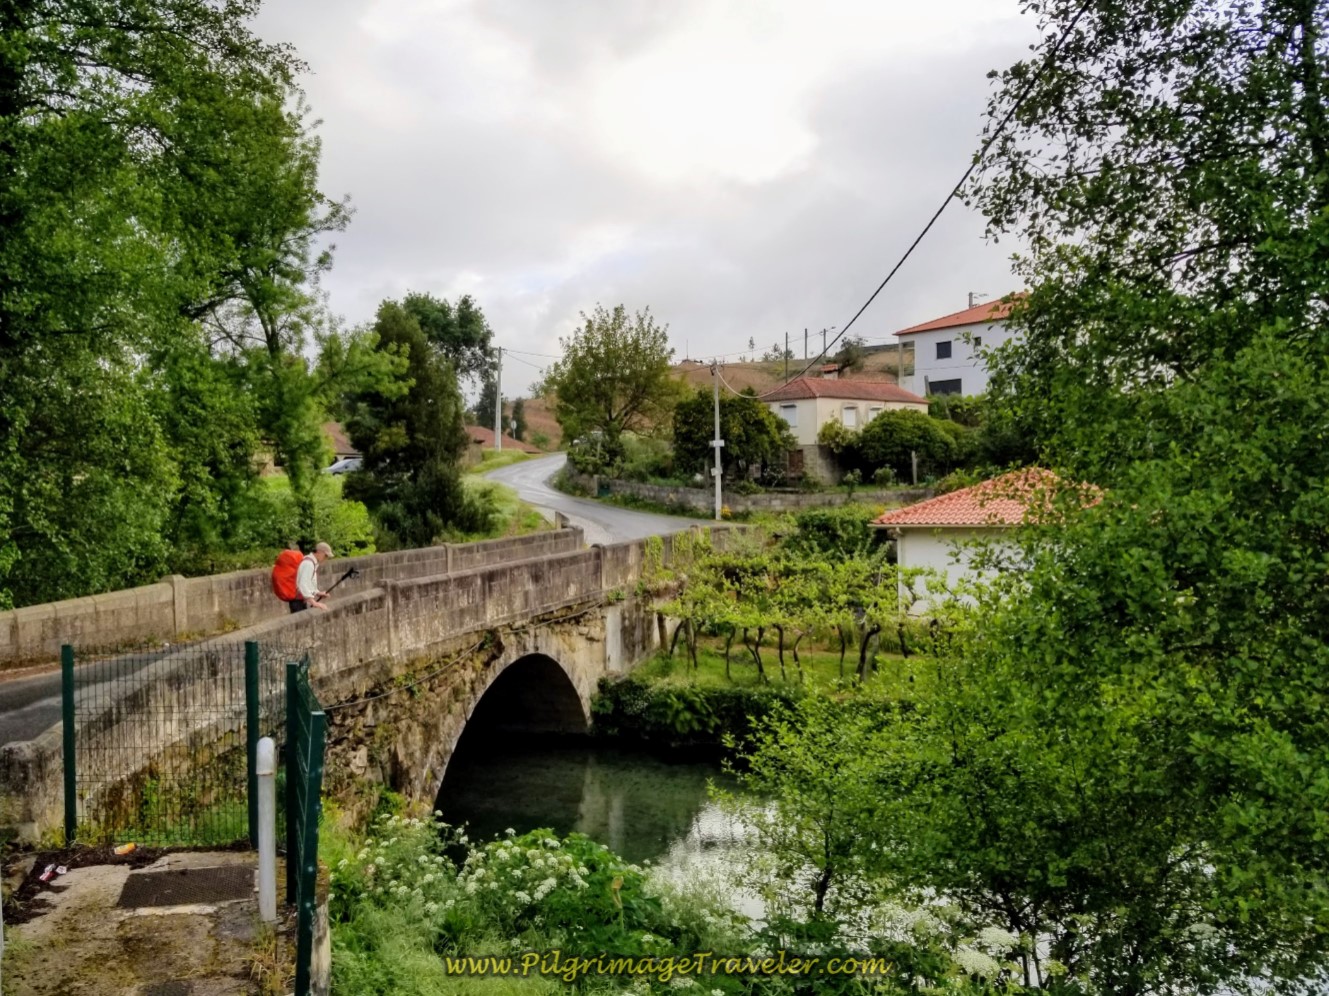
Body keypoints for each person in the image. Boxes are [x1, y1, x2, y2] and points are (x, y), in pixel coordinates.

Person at [293, 541, 335, 613]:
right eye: (326, 555)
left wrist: (317, 593)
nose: (326, 558)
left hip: (301, 600)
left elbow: (309, 583)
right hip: (298, 601)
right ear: (319, 552)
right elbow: (303, 584)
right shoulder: (308, 564)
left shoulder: (312, 563)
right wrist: (314, 603)